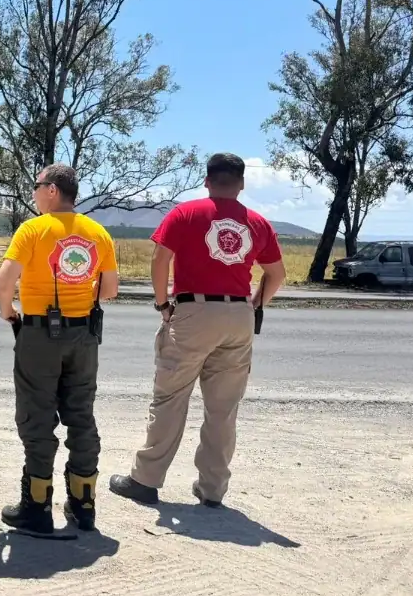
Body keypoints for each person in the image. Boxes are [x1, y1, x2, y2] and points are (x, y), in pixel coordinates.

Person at [109, 152, 286, 508]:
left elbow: (160, 259)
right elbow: (276, 274)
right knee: (223, 408)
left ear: (207, 181)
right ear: (241, 184)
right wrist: (255, 304)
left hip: (193, 310)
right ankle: (212, 488)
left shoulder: (185, 214)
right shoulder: (258, 223)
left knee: (171, 397)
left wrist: (163, 304)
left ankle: (145, 480)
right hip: (238, 314)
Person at [0, 163, 119, 534]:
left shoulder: (33, 229)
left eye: (37, 186)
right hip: (83, 337)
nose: (34, 192)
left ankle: (36, 506)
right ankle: (83, 505)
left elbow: (4, 282)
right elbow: (110, 289)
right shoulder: (98, 233)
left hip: (38, 335)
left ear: (52, 190)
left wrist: (8, 311)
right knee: (81, 414)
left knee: (37, 416)